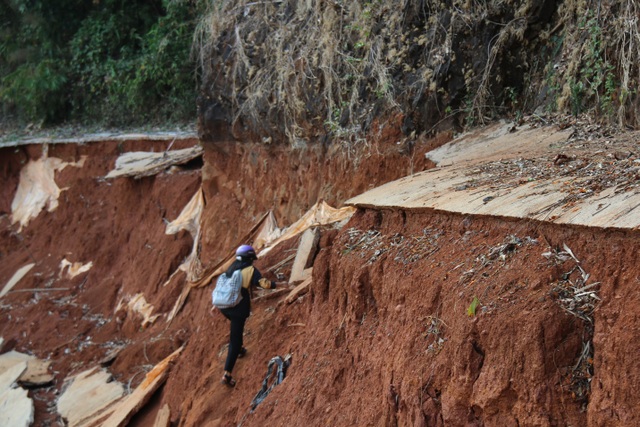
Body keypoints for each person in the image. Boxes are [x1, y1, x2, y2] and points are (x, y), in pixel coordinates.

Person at [218, 244, 276, 387]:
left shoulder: (232, 266)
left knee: (236, 331)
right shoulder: (250, 269)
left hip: (223, 306)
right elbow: (264, 284)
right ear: (250, 258)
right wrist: (276, 284)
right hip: (237, 308)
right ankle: (227, 374)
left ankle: (240, 349)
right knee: (235, 340)